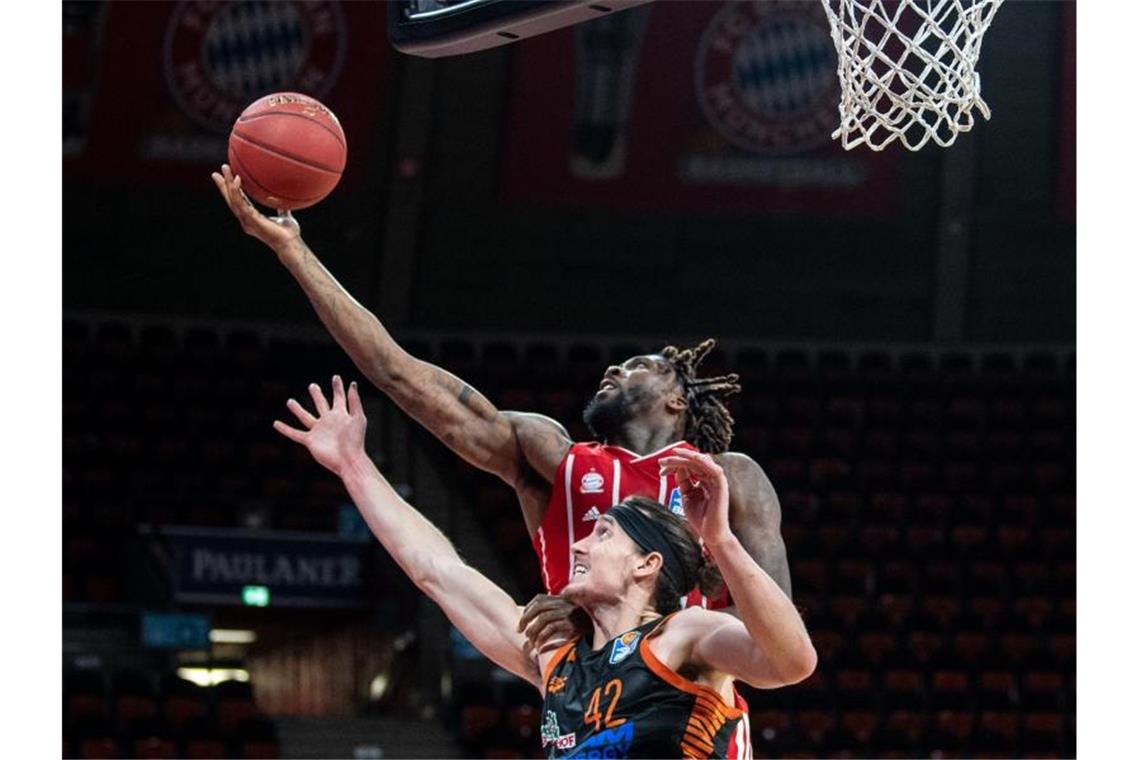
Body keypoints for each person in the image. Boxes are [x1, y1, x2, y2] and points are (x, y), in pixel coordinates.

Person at [211, 166, 791, 632]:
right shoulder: (549, 455)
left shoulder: (728, 478)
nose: (615, 366)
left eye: (642, 366)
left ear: (677, 401)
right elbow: (396, 373)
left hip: (691, 700)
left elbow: (780, 628)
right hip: (576, 687)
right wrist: (294, 252)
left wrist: (628, 625)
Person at [274, 376, 816, 758]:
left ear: (646, 565)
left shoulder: (685, 634)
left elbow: (791, 662)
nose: (578, 544)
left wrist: (719, 538)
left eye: (603, 534)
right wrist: (353, 465)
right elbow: (436, 570)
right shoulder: (555, 658)